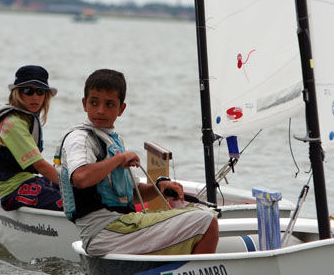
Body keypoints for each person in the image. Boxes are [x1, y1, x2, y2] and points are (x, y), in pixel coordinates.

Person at [55, 69, 218, 256]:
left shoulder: (111, 140)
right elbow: (81, 178)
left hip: (122, 227)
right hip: (105, 232)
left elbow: (132, 194)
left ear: (121, 109)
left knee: (202, 214)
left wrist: (159, 187)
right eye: (94, 102)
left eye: (109, 104)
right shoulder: (80, 139)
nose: (100, 110)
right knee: (207, 220)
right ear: (84, 104)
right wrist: (118, 160)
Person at [0, 65, 62, 211]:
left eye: (40, 92)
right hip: (12, 191)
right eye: (28, 91)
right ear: (17, 93)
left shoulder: (23, 119)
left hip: (26, 181)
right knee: (75, 200)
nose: (35, 97)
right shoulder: (13, 124)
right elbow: (41, 166)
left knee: (87, 191)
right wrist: (72, 188)